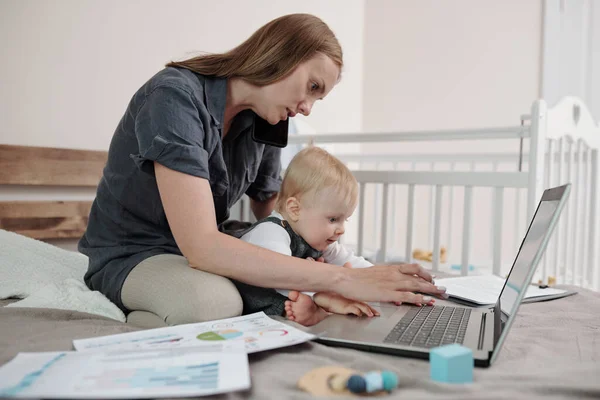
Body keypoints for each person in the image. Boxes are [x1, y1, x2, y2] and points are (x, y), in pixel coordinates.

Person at [79, 13, 447, 329]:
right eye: (312, 87)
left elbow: (279, 215)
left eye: (319, 98)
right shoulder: (174, 97)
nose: (308, 109)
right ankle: (129, 320)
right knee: (215, 305)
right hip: (134, 254)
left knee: (273, 271)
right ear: (281, 57)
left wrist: (343, 258)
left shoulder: (266, 124)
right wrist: (344, 279)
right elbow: (203, 247)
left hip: (199, 254)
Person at [239, 146, 439, 326]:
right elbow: (282, 278)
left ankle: (313, 310)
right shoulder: (271, 232)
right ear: (295, 209)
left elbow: (352, 262)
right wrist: (327, 296)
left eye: (345, 220)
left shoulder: (315, 238)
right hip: (256, 298)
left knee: (304, 299)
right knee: (300, 297)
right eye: (333, 219)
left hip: (283, 298)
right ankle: (318, 306)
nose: (341, 229)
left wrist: (388, 282)